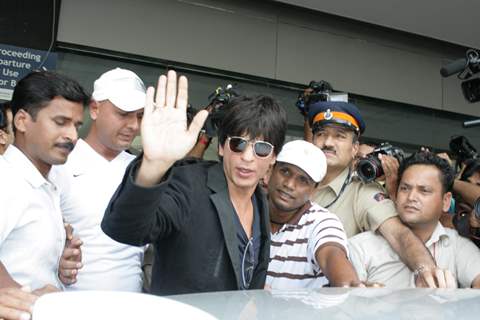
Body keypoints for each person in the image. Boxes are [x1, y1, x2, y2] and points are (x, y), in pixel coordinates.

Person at [101, 70, 287, 295]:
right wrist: (153, 166)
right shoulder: (189, 184)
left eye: (261, 148)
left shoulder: (260, 201)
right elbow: (126, 230)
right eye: (238, 144)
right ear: (221, 146)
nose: (247, 157)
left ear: (273, 157)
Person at [307, 100, 452, 287]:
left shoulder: (362, 191)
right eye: (321, 134)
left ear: (354, 149)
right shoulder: (293, 182)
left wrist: (426, 270)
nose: (327, 143)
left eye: (339, 136)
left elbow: (399, 235)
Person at [51, 68, 146, 291]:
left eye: (140, 115)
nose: (133, 125)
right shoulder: (59, 165)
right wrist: (55, 260)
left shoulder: (143, 170)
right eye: (123, 113)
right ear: (94, 108)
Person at [0, 71, 88, 291]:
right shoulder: (6, 180)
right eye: (60, 122)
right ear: (22, 121)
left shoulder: (45, 184)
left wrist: (57, 266)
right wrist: (22, 299)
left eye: (76, 126)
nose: (73, 136)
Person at [349, 152, 480, 288]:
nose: (411, 197)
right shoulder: (360, 246)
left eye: (424, 191)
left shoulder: (458, 246)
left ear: (446, 201)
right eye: (405, 188)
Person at [266, 140, 359, 289]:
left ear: (314, 190)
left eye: (303, 180)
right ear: (270, 171)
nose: (289, 184)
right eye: (285, 171)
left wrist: (350, 287)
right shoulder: (247, 208)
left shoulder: (322, 222)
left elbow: (331, 256)